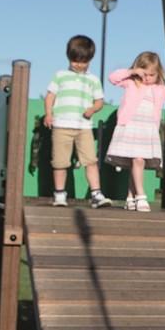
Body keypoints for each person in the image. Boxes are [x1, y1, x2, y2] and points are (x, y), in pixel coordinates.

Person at [104, 51, 165, 212]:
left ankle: (130, 197)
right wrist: (131, 72)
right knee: (138, 161)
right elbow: (113, 77)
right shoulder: (131, 83)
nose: (147, 78)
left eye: (151, 74)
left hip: (146, 130)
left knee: (137, 162)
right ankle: (141, 196)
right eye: (144, 73)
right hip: (130, 127)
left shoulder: (160, 89)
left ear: (158, 74)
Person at [43, 34, 111, 209]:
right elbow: (50, 96)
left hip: (84, 127)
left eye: (83, 61)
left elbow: (99, 101)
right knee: (60, 162)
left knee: (90, 160)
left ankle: (96, 194)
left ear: (90, 60)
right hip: (61, 126)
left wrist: (92, 109)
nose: (79, 65)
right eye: (75, 61)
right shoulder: (60, 75)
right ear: (69, 57)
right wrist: (48, 114)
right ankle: (59, 194)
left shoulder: (93, 80)